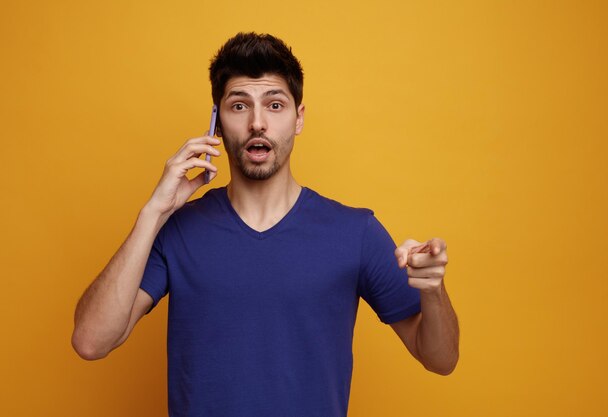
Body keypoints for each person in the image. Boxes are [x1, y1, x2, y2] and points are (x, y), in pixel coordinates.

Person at [72, 32, 459, 417]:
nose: (258, 123)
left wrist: (433, 290)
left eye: (275, 105)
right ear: (217, 124)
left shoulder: (355, 232)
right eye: (239, 106)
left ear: (298, 118)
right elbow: (91, 341)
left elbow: (440, 359)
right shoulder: (176, 230)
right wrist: (153, 212)